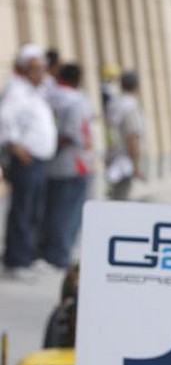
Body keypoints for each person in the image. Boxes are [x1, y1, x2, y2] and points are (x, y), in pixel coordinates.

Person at [0, 43, 58, 281]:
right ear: (25, 69)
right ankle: (17, 260)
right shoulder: (17, 90)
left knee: (34, 211)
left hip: (38, 160)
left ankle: (29, 256)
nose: (42, 73)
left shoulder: (36, 90)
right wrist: (16, 147)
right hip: (25, 160)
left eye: (43, 68)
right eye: (36, 69)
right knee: (23, 211)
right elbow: (5, 120)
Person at [40, 63, 94, 269]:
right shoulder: (77, 101)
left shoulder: (48, 96)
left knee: (54, 210)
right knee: (68, 212)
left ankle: (50, 251)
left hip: (52, 164)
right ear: (78, 79)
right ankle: (60, 255)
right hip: (74, 163)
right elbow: (72, 133)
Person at [104, 70, 143, 200]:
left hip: (112, 155)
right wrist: (136, 164)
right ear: (136, 86)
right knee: (122, 199)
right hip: (125, 159)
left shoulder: (113, 104)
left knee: (114, 197)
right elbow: (132, 136)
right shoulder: (131, 106)